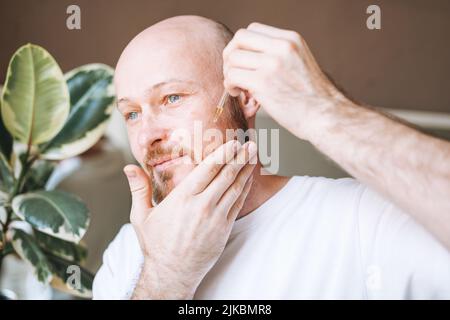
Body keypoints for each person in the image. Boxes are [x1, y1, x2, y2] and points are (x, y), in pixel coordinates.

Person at [93, 15, 450, 299]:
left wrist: (325, 111)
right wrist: (165, 278)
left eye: (172, 98)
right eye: (132, 114)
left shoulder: (360, 220)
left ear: (245, 96)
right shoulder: (128, 255)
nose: (146, 135)